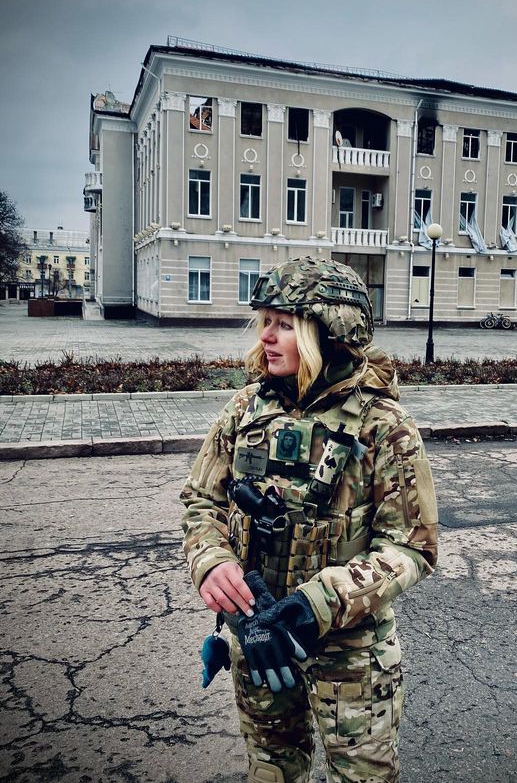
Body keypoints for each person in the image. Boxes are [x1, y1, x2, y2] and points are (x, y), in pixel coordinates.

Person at [180, 256, 438, 783]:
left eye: (284, 324)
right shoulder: (247, 409)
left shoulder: (382, 426)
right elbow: (202, 500)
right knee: (271, 771)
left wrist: (313, 604)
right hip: (257, 636)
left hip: (351, 654)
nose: (267, 337)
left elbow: (413, 548)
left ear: (327, 332)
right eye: (265, 323)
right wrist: (212, 562)